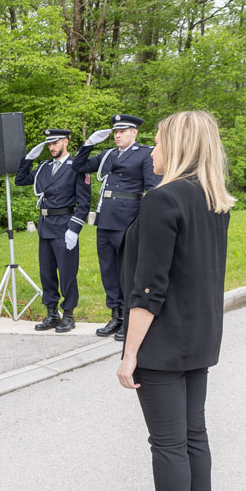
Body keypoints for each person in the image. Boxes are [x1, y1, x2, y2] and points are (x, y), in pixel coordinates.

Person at [115, 110, 234, 491]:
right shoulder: (213, 199)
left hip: (163, 341)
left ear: (179, 146)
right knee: (191, 438)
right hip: (199, 336)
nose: (152, 151)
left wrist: (129, 354)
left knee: (168, 444)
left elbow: (149, 287)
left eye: (159, 142)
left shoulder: (163, 199)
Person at [72, 114, 159, 340]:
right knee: (109, 271)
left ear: (134, 132)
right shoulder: (107, 154)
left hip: (129, 220)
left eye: (123, 131)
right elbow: (78, 166)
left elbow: (153, 190)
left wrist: (147, 221)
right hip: (106, 220)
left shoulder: (145, 154)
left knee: (126, 271)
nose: (118, 135)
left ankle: (130, 318)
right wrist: (89, 144)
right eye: (115, 132)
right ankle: (116, 314)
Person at [15, 129, 91, 332]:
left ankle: (68, 314)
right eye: (49, 144)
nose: (51, 147)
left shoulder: (77, 166)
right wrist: (29, 158)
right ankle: (51, 313)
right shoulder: (44, 167)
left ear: (65, 142)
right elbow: (20, 180)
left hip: (65, 223)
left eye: (55, 143)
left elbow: (84, 203)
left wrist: (74, 228)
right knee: (46, 273)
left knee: (67, 273)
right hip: (46, 224)